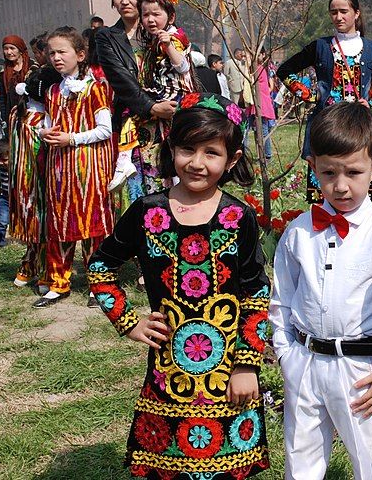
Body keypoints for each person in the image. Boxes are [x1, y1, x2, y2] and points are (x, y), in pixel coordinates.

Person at [88, 92, 270, 478]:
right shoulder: (147, 211)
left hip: (229, 377)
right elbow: (101, 266)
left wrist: (247, 366)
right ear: (171, 149)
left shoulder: (239, 217)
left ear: (232, 159)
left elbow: (256, 294)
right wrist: (128, 322)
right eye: (188, 149)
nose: (198, 163)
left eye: (211, 152)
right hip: (167, 374)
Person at [269, 102, 372, 479]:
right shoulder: (297, 233)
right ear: (313, 168)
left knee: (369, 461)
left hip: (359, 370)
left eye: (354, 172)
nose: (341, 186)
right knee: (300, 459)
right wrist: (286, 353)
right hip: (304, 361)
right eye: (329, 173)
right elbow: (281, 300)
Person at [33, 27, 115, 308]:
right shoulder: (54, 91)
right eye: (51, 52)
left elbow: (105, 130)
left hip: (88, 167)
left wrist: (72, 138)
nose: (56, 57)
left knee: (92, 225)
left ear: (80, 55)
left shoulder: (96, 88)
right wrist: (45, 133)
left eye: (62, 51)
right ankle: (58, 282)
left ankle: (98, 284)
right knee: (59, 224)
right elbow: (47, 123)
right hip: (59, 168)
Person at [276, 0, 372, 202]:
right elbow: (284, 70)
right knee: (323, 181)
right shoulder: (320, 46)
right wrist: (310, 96)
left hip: (357, 126)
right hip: (327, 123)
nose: (338, 17)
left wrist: (371, 104)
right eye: (333, 12)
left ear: (357, 13)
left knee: (354, 179)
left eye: (344, 11)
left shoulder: (371, 49)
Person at [96, 0, 177, 206]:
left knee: (170, 180)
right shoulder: (107, 37)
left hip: (168, 118)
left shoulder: (156, 31)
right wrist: (152, 107)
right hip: (133, 122)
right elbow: (120, 80)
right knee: (138, 190)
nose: (125, 0)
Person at [111, 0, 196, 192]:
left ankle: (124, 162)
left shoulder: (173, 38)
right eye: (145, 14)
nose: (150, 19)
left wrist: (168, 45)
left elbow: (183, 67)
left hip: (174, 95)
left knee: (134, 113)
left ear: (171, 16)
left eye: (156, 14)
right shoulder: (152, 40)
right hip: (162, 97)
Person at [10, 59, 59, 293]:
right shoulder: (41, 120)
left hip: (22, 184)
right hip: (41, 180)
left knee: (35, 225)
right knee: (45, 225)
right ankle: (45, 271)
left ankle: (30, 266)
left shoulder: (17, 113)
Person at [247, 47, 277, 160]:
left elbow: (269, 86)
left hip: (261, 103)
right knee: (253, 129)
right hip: (255, 102)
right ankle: (263, 155)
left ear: (263, 55)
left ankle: (267, 155)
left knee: (263, 131)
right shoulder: (258, 68)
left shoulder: (260, 69)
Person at [0, 35, 35, 126]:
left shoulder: (33, 67)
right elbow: (3, 97)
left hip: (31, 116)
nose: (9, 52)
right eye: (5, 49)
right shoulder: (4, 72)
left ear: (20, 50)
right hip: (12, 118)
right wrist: (5, 117)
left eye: (12, 48)